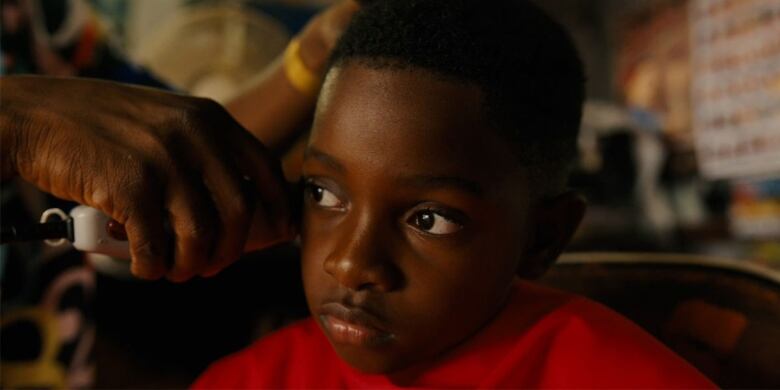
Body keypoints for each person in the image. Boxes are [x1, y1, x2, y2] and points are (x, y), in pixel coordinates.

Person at [192, 0, 716, 388]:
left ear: (543, 238)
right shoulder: (253, 380)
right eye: (325, 194)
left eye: (430, 220)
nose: (351, 264)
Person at [0, 1, 361, 283]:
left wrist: (314, 53)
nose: (352, 265)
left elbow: (168, 141)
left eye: (421, 217)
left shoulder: (41, 14)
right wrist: (14, 121)